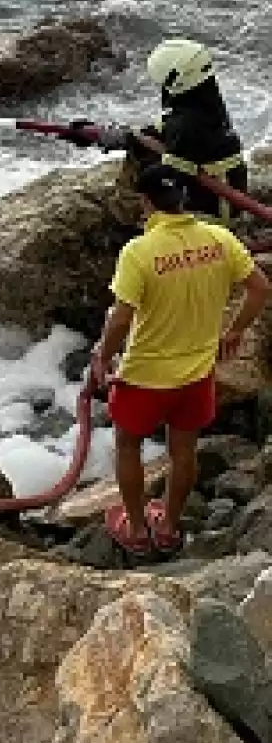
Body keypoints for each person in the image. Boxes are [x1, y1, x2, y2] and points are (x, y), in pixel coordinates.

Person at [91, 162, 271, 557]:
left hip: (144, 375)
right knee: (183, 451)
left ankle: (137, 529)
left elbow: (121, 316)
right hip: (196, 373)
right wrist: (235, 330)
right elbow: (259, 288)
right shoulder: (219, 239)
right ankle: (170, 527)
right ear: (184, 200)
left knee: (127, 447)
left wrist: (103, 358)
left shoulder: (139, 252)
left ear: (146, 204)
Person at [64, 38, 247, 223]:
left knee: (142, 167)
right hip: (219, 189)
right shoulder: (203, 101)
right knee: (141, 150)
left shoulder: (187, 123)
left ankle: (133, 219)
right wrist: (99, 135)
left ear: (176, 80)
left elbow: (170, 171)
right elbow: (153, 135)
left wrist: (142, 184)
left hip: (216, 209)